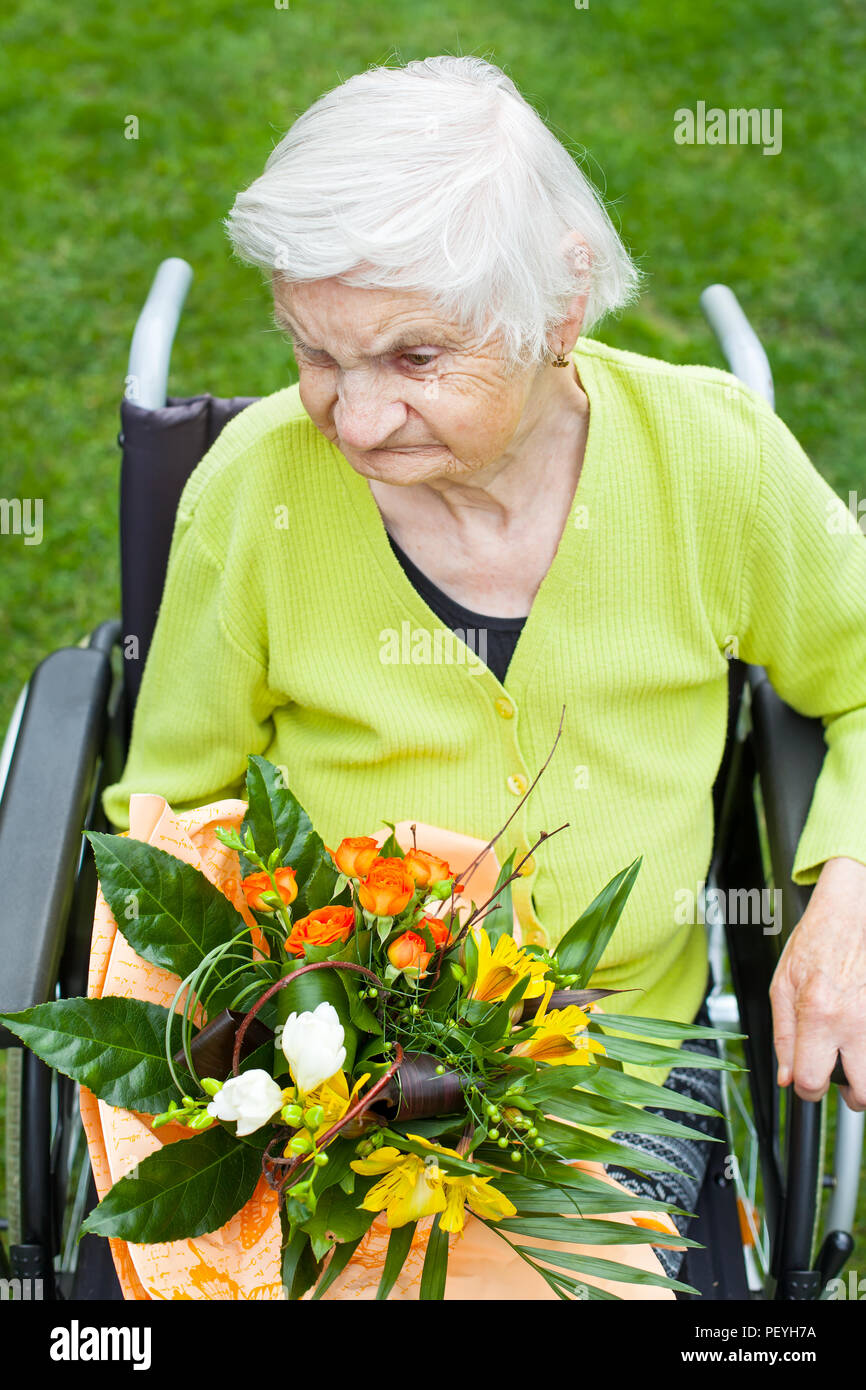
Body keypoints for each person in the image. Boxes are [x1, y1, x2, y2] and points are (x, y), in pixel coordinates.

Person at [102, 54, 866, 1293]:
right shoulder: (255, 487)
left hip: (603, 1074)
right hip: (327, 1061)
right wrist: (253, 1033)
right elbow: (167, 810)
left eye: (412, 359)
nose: (349, 421)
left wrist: (850, 885)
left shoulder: (711, 464)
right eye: (315, 354)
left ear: (557, 313)